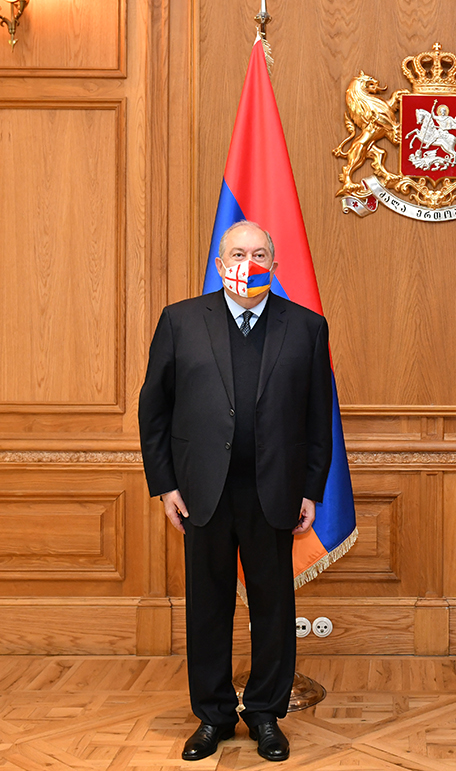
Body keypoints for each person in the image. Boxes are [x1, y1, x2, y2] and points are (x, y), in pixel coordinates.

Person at [139, 220, 333, 763]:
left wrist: (310, 488)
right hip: (202, 491)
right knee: (208, 608)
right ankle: (214, 716)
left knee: (273, 608)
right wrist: (165, 484)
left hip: (274, 492)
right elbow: (154, 410)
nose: (248, 262)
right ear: (220, 264)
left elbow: (319, 417)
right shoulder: (179, 320)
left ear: (275, 264)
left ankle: (266, 714)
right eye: (237, 254)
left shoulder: (307, 327)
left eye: (259, 254)